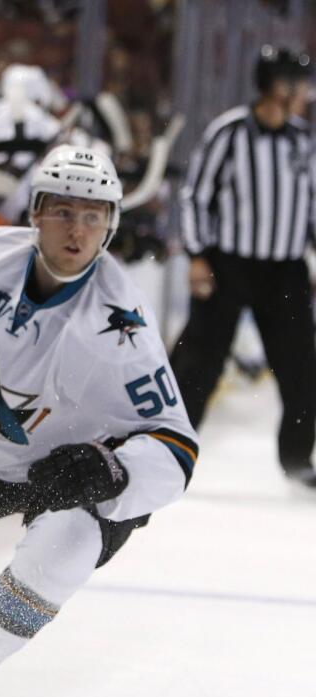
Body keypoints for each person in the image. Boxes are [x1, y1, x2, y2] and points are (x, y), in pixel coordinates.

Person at [0, 144, 200, 697]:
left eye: (94, 216)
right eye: (64, 211)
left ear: (111, 226)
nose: (78, 229)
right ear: (35, 212)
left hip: (71, 477)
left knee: (66, 546)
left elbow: (177, 447)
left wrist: (112, 470)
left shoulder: (121, 330)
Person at [170, 45, 316, 489]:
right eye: (296, 81)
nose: (305, 90)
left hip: (286, 268)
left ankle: (297, 460)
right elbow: (196, 194)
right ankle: (169, 452)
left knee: (302, 367)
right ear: (274, 85)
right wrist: (197, 255)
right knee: (198, 361)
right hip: (228, 264)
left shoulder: (302, 140)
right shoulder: (229, 132)